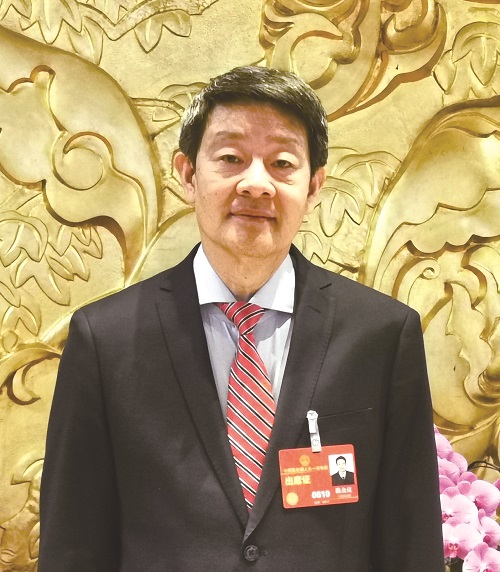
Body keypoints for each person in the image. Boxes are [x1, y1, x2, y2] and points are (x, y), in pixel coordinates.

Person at [39, 66, 444, 571]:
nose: (256, 184)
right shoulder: (105, 338)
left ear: (314, 186)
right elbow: (73, 542)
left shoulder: (381, 335)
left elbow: (411, 539)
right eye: (231, 158)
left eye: (282, 163)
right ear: (188, 174)